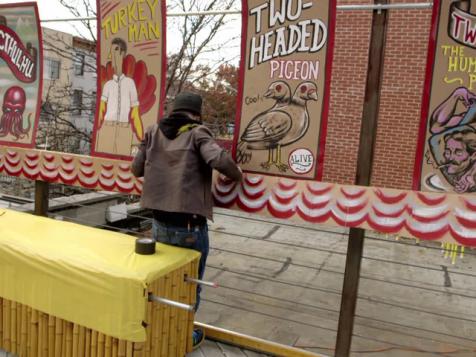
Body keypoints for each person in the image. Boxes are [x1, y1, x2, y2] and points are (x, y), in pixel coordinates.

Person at [131, 91, 242, 348]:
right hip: (190, 226)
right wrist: (238, 175)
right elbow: (218, 159)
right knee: (190, 285)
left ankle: (162, 334)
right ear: (196, 113)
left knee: (163, 281)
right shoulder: (197, 132)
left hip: (158, 223)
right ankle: (182, 337)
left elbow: (136, 169)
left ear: (173, 111)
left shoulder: (152, 131)